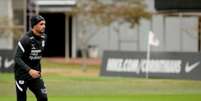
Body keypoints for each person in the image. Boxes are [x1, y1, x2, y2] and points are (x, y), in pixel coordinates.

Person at [14, 15, 48, 101]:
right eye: (41, 24)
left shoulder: (44, 38)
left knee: (43, 97)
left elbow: (38, 57)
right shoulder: (25, 39)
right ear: (34, 25)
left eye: (44, 24)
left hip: (35, 75)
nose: (44, 26)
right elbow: (17, 58)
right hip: (22, 75)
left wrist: (39, 72)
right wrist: (29, 70)